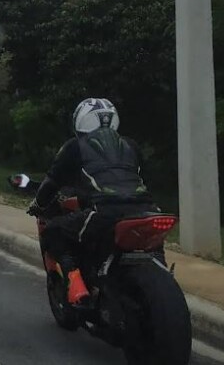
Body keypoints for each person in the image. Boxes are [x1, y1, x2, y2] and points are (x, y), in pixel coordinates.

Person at [27, 98, 156, 305]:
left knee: (53, 231)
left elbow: (52, 182)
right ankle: (161, 270)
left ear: (81, 121)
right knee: (153, 245)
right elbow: (146, 177)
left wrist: (38, 205)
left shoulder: (75, 147)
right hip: (146, 209)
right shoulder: (131, 145)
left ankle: (75, 285)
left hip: (104, 211)